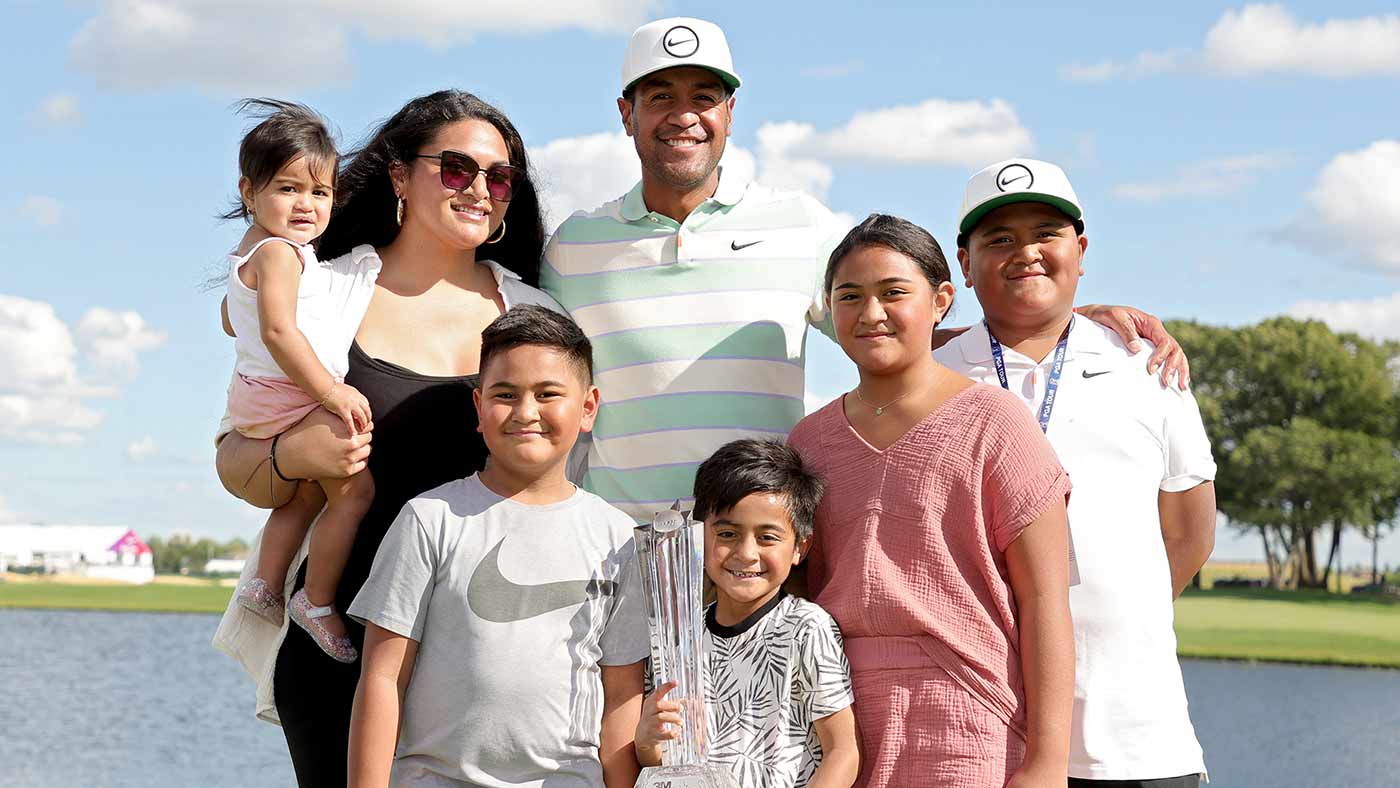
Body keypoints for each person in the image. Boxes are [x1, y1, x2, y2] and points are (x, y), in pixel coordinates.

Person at [541, 16, 1191, 522]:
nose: (684, 115)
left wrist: (1057, 322)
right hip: (618, 561)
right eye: (660, 96)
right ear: (626, 113)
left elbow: (898, 330)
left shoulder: (800, 225)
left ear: (730, 115)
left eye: (704, 96)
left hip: (759, 567)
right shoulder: (573, 249)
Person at [211, 90, 565, 788]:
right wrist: (294, 456)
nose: (481, 190)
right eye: (457, 169)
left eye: (499, 177)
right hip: (337, 647)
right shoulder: (321, 291)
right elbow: (235, 458)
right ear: (400, 177)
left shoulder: (540, 315)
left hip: (491, 656)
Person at [934, 158, 1217, 788]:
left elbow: (1191, 534)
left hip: (1139, 740)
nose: (1025, 253)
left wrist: (1110, 614)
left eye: (1046, 234)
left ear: (1080, 250)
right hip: (983, 738)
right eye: (999, 239)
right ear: (965, 263)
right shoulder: (933, 373)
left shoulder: (1148, 365)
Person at [788, 214, 1075, 788]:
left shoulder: (996, 423)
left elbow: (1045, 599)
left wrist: (1047, 763)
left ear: (942, 299)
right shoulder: (808, 441)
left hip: (965, 719)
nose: (871, 314)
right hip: (832, 723)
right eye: (850, 296)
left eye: (894, 292)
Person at [347, 305, 647, 788]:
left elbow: (621, 695)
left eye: (548, 394)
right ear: (478, 408)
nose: (526, 412)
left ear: (588, 407)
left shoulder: (618, 537)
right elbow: (382, 679)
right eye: (506, 395)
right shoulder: (430, 519)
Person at [220, 99, 377, 664]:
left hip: (257, 398)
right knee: (355, 492)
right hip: (290, 396)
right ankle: (315, 598)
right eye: (289, 189)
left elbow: (227, 316)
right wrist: (331, 391)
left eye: (320, 193)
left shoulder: (248, 254)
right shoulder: (282, 254)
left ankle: (263, 584)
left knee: (308, 490)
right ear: (249, 193)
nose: (306, 205)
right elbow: (281, 333)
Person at [635, 438, 859, 788]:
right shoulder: (675, 640)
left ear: (800, 546)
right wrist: (647, 742)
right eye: (727, 533)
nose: (746, 553)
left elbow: (843, 752)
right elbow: (660, 762)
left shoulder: (806, 628)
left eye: (767, 537)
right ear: (699, 537)